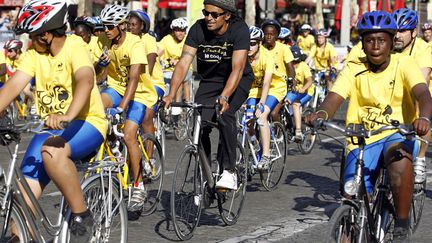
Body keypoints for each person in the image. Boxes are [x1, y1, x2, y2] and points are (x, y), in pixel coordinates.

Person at [305, 11, 432, 241]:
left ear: (392, 42)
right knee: (351, 195)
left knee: (400, 162)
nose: (375, 46)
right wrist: (321, 113)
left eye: (381, 40)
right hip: (360, 139)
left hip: (396, 133)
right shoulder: (354, 67)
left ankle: (402, 225)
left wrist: (423, 117)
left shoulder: (404, 63)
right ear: (362, 45)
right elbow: (334, 97)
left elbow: (422, 93)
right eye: (369, 40)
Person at [1, 0, 108, 241]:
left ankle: (81, 213)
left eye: (33, 35)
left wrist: (68, 114)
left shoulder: (75, 46)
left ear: (47, 34)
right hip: (50, 128)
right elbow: (12, 86)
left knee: (51, 151)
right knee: (22, 199)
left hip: (87, 121)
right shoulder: (33, 55)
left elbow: (85, 80)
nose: (30, 40)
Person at [163, 0, 254, 190]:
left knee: (225, 114)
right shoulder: (198, 29)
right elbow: (184, 62)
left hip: (237, 79)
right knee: (200, 124)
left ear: (227, 15)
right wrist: (171, 94)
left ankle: (229, 171)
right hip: (210, 81)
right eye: (206, 13)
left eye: (214, 14)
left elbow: (237, 68)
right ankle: (205, 173)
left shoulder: (239, 29)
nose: (208, 18)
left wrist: (225, 96)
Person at [94, 4, 157, 215]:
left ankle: (138, 185)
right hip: (115, 88)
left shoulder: (136, 44)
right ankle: (112, 147)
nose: (106, 30)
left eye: (110, 26)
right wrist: (100, 65)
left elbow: (134, 78)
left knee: (129, 134)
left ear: (122, 26)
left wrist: (121, 107)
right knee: (95, 108)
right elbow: (97, 75)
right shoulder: (103, 40)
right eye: (104, 26)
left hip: (139, 92)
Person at [392, 8, 432, 184]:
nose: (397, 35)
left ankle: (421, 159)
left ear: (414, 32)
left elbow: (421, 80)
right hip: (394, 94)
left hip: (421, 93)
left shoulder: (424, 49)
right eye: (395, 30)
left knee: (422, 120)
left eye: (402, 31)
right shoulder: (389, 45)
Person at [246, 26, 284, 170]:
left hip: (275, 88)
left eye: (253, 43)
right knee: (248, 118)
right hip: (255, 89)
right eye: (246, 43)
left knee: (261, 116)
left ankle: (266, 155)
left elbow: (267, 82)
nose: (249, 47)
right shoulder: (244, 56)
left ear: (259, 43)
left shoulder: (267, 57)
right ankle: (255, 142)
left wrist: (261, 104)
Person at [260, 19, 296, 123]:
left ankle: (279, 136)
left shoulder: (284, 48)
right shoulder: (260, 49)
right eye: (266, 34)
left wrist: (291, 79)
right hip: (263, 85)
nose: (269, 36)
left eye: (272, 34)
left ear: (277, 35)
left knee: (273, 113)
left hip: (279, 86)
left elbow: (290, 68)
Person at [158, 17, 193, 117]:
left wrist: (178, 61)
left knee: (180, 78)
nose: (180, 33)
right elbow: (158, 52)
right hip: (167, 70)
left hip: (185, 69)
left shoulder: (188, 40)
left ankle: (179, 104)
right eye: (177, 30)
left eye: (182, 30)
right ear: (173, 31)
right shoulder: (166, 39)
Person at [285, 45, 313, 140]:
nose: (295, 64)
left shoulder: (303, 66)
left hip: (307, 91)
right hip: (294, 91)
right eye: (293, 61)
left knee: (295, 104)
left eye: (297, 61)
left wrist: (304, 88)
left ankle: (298, 131)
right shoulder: (287, 67)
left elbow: (309, 81)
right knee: (283, 103)